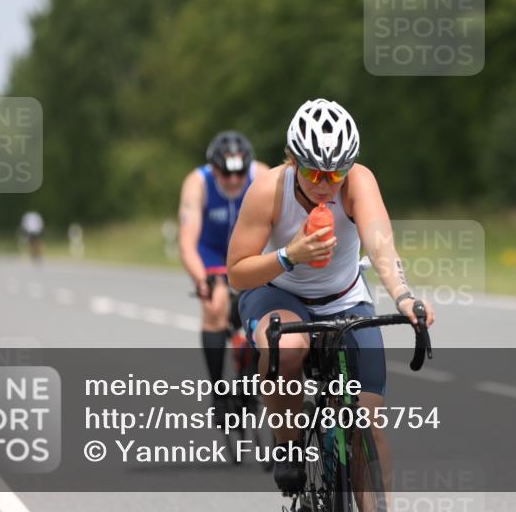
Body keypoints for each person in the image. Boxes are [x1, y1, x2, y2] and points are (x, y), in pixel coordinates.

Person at [227, 98, 436, 495]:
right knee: (287, 348)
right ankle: (288, 444)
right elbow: (238, 270)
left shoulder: (359, 182)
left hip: (344, 298)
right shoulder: (268, 189)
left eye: (335, 174)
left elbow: (380, 247)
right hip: (277, 294)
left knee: (369, 426)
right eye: (313, 172)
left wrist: (404, 298)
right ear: (292, 160)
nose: (325, 184)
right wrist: (291, 256)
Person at [178, 131, 268, 418]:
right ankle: (218, 392)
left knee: (264, 311)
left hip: (251, 251)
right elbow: (187, 242)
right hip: (213, 254)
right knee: (215, 306)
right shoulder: (197, 183)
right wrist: (202, 280)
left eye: (240, 174)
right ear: (213, 168)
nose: (232, 181)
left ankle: (254, 375)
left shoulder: (263, 175)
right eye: (225, 175)